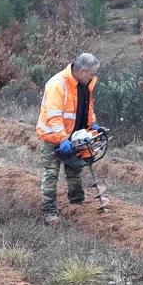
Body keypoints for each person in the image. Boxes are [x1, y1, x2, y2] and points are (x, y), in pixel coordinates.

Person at [36, 53, 104, 226]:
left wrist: (93, 125)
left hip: (76, 136)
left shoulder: (84, 84)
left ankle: (77, 204)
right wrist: (62, 140)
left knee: (75, 172)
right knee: (51, 175)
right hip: (53, 138)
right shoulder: (57, 85)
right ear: (81, 71)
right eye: (91, 74)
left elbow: (85, 108)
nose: (93, 77)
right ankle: (49, 212)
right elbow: (54, 117)